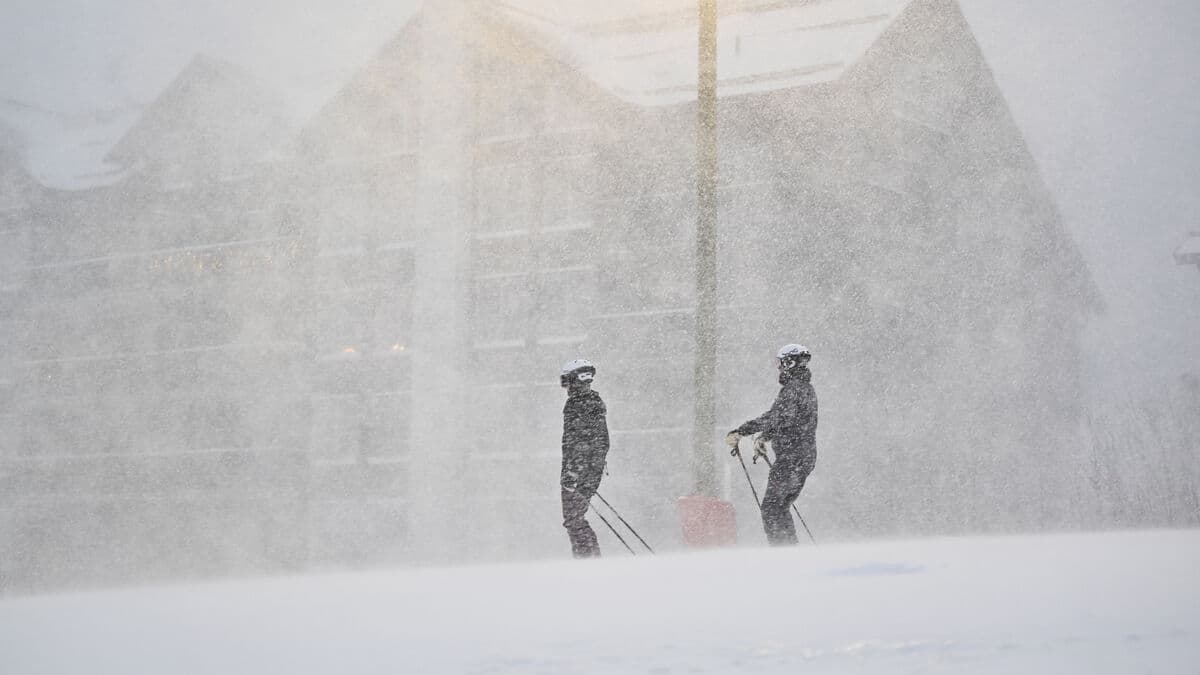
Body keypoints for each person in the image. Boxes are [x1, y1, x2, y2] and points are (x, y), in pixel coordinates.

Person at [727, 344, 818, 546]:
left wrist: (742, 431)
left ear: (790, 362)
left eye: (780, 363)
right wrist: (764, 438)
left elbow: (776, 417)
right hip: (802, 457)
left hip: (792, 458)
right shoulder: (803, 388)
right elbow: (788, 420)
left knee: (772, 507)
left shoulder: (794, 389)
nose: (778, 368)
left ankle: (783, 554)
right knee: (779, 506)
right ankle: (789, 552)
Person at [559, 358, 610, 558]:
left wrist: (572, 473)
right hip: (590, 470)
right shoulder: (593, 401)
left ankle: (588, 559)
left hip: (579, 473)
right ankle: (588, 558)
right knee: (575, 518)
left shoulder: (577, 404)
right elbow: (598, 442)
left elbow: (578, 443)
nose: (565, 387)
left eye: (565, 381)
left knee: (573, 519)